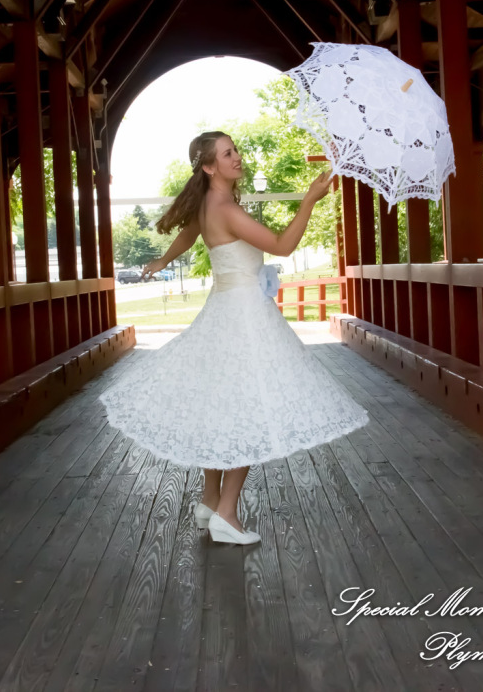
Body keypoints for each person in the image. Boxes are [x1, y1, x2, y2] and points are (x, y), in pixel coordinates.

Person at [99, 131, 369, 545]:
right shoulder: (224, 207)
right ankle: (226, 514)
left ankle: (210, 502)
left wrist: (163, 259)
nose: (237, 157)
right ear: (210, 167)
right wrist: (309, 201)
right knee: (248, 407)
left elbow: (189, 234)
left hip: (223, 308)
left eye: (235, 150)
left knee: (219, 403)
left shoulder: (207, 204)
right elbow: (282, 245)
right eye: (228, 154)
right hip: (243, 314)